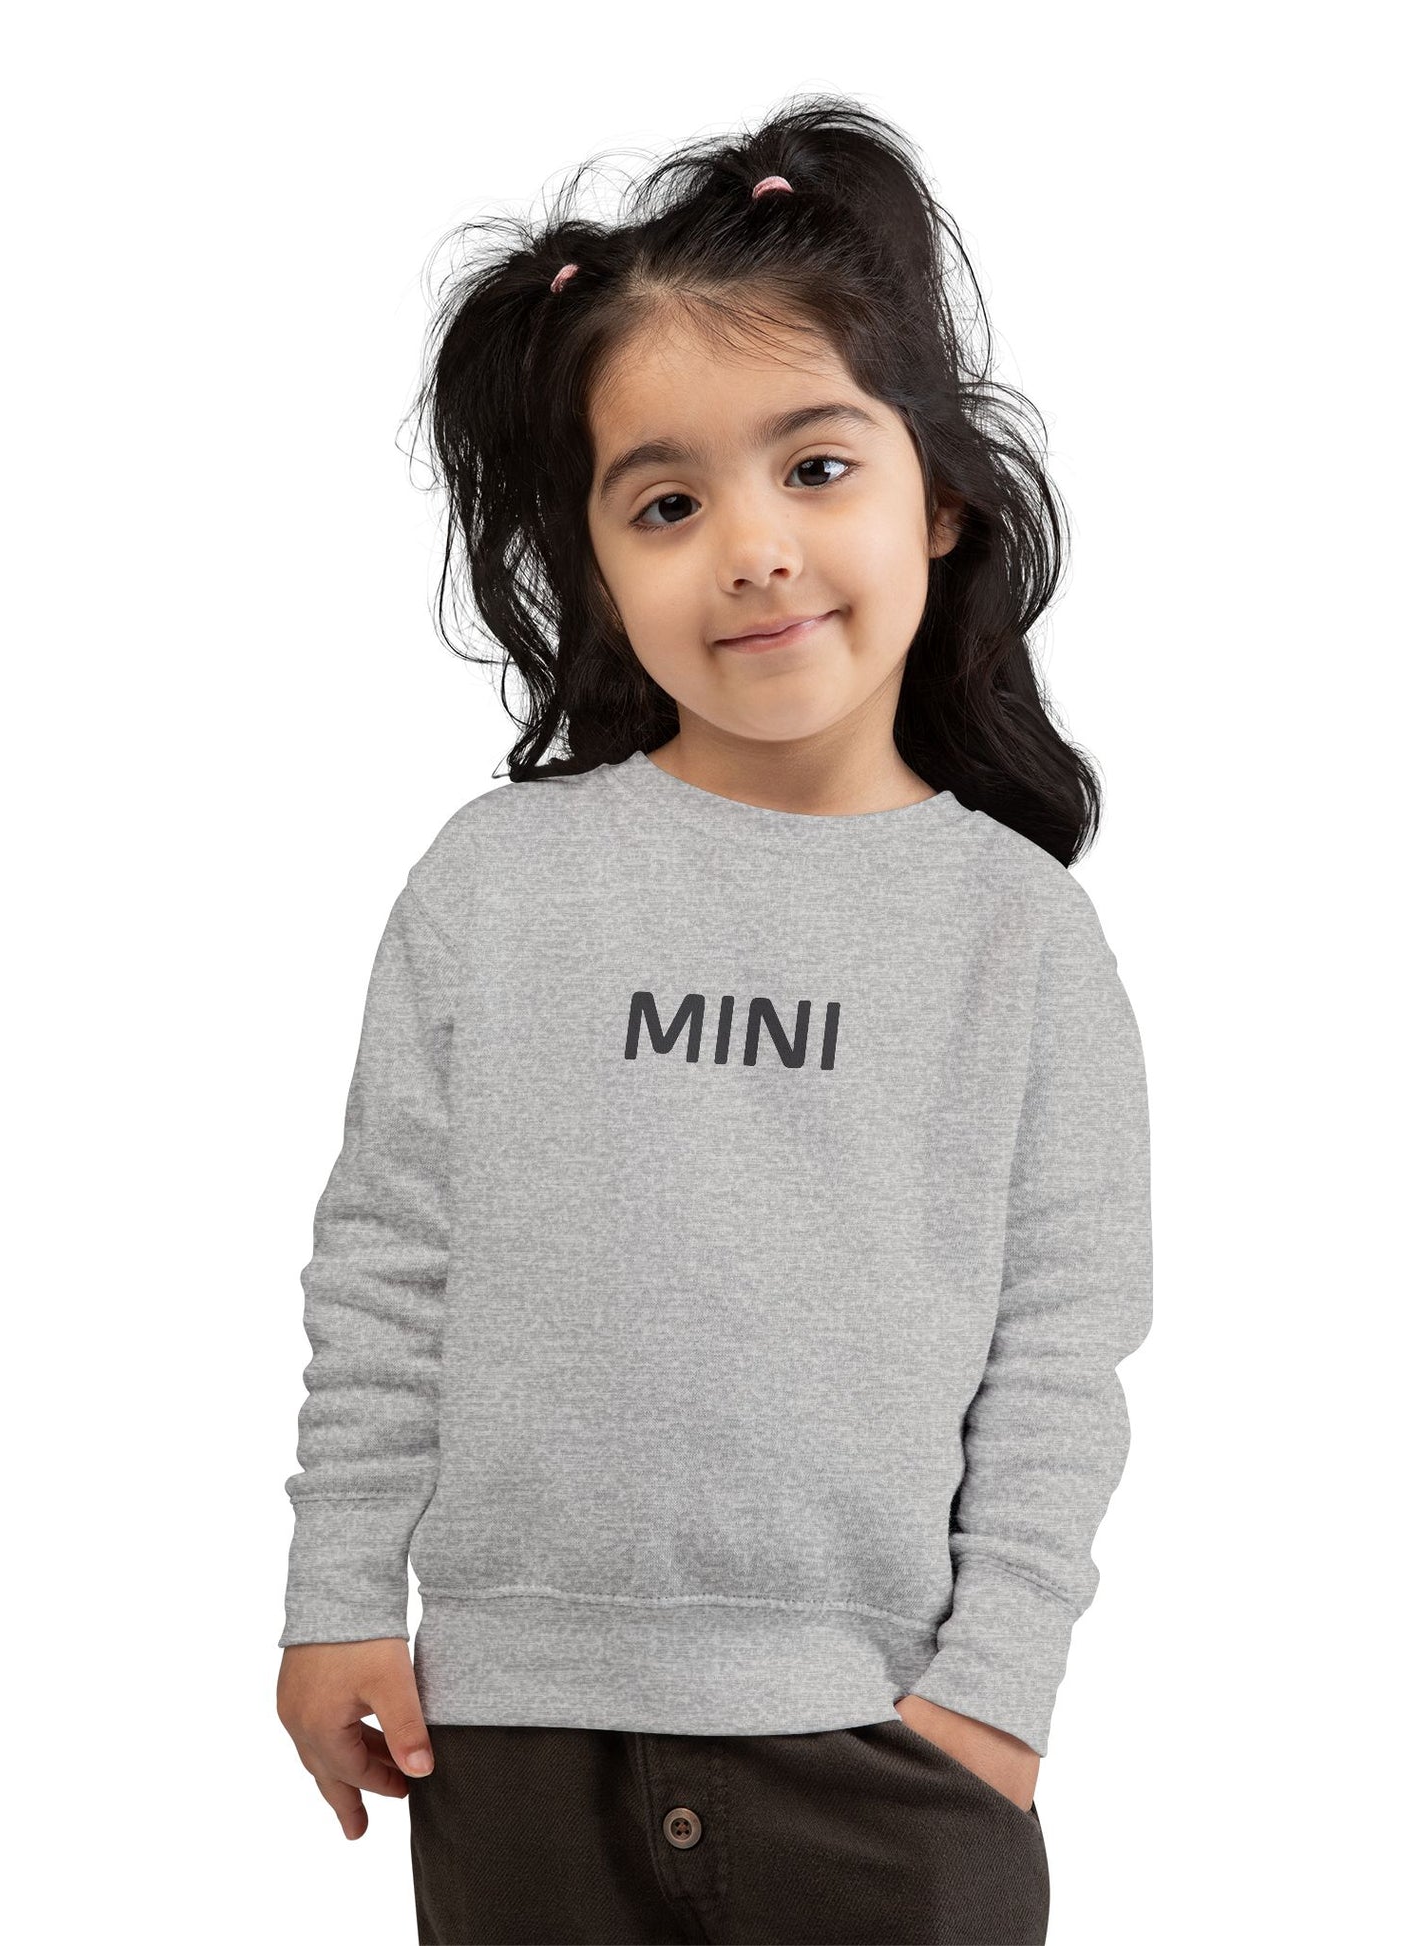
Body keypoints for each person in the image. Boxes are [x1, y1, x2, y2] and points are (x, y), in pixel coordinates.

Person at [274, 94, 1153, 1946]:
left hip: (883, 1746)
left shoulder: (1019, 934)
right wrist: (337, 1588)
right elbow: (387, 1256)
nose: (751, 547)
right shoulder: (497, 883)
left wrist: (993, 1689)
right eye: (667, 503)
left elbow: (1063, 1342)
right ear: (596, 565)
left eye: (814, 467)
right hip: (514, 1735)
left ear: (939, 494)